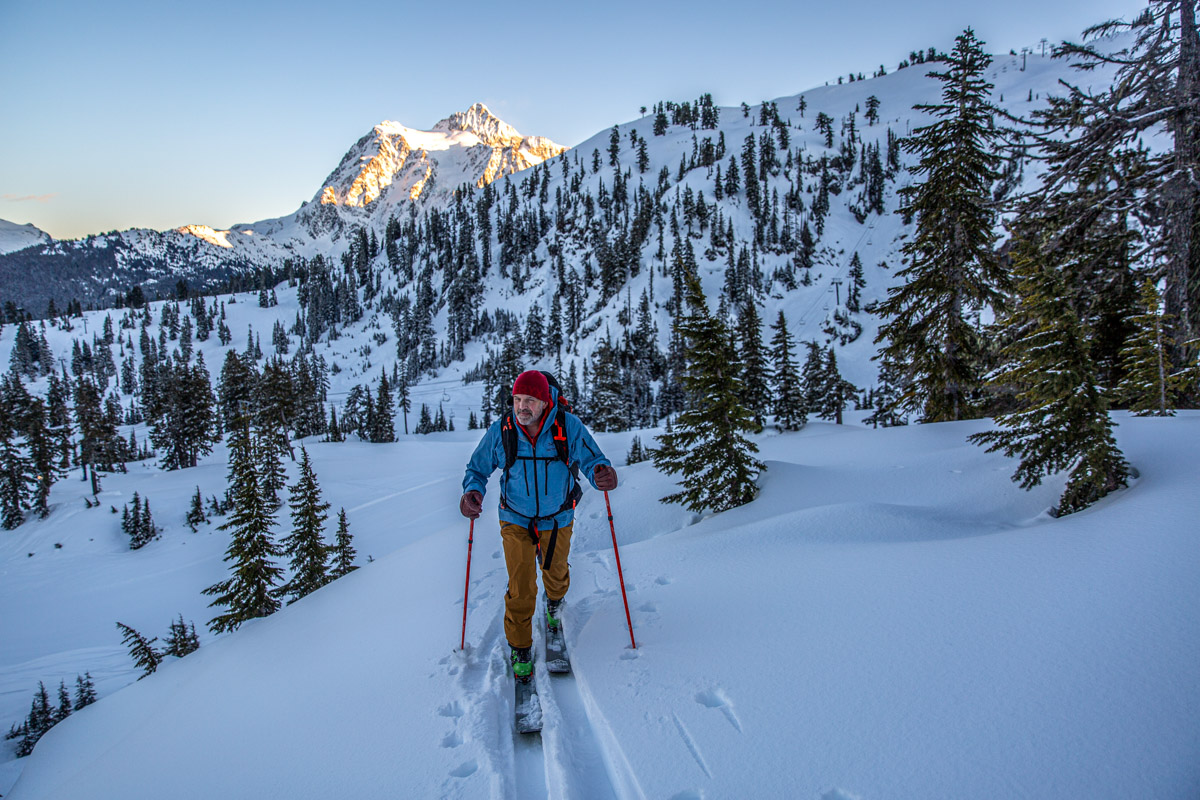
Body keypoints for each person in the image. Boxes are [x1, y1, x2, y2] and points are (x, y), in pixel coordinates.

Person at [460, 370, 617, 680]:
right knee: (520, 587)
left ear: (546, 402)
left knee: (555, 574)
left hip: (557, 517)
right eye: (517, 400)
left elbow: (594, 461)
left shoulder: (567, 427)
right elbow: (477, 468)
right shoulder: (504, 429)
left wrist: (604, 475)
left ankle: (555, 604)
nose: (522, 407)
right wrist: (471, 492)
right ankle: (520, 647)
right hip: (514, 517)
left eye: (529, 401)